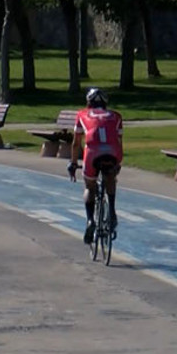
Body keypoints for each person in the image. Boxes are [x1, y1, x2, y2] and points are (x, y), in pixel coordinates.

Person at [67, 87, 124, 244]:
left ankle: (90, 220)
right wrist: (118, 163)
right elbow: (119, 142)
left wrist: (73, 163)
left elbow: (76, 143)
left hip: (93, 153)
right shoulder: (116, 116)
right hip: (113, 152)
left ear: (88, 102)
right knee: (111, 178)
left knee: (89, 186)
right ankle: (112, 211)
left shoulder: (82, 114)